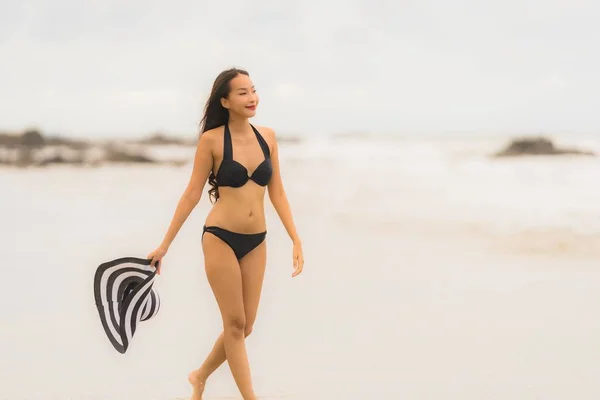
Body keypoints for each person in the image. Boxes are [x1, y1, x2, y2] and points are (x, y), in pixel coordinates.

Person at [146, 67, 304, 400]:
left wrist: (295, 238)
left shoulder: (268, 137)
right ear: (226, 101)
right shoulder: (212, 141)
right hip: (220, 237)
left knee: (245, 327)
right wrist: (164, 245)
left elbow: (278, 193)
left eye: (253, 90)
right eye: (242, 92)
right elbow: (191, 193)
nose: (252, 97)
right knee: (234, 323)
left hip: (256, 241)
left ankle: (200, 376)